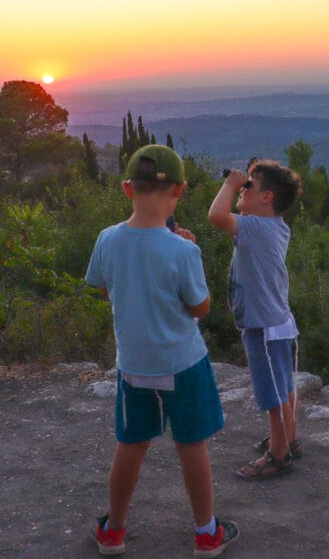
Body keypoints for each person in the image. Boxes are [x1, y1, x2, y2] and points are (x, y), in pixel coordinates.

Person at [84, 144, 238, 557]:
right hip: (183, 364)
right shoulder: (183, 250)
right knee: (192, 446)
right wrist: (188, 249)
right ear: (181, 192)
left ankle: (113, 531)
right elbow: (200, 308)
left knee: (130, 445)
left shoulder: (107, 239)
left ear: (127, 189)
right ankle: (206, 533)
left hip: (133, 365)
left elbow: (104, 286)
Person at [208, 159, 304, 480]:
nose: (242, 189)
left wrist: (229, 185)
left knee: (272, 394)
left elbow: (216, 216)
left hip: (262, 326)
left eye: (250, 185)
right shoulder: (276, 227)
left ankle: (278, 456)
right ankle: (288, 438)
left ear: (267, 198)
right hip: (280, 322)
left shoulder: (255, 228)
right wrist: (242, 185)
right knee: (286, 387)